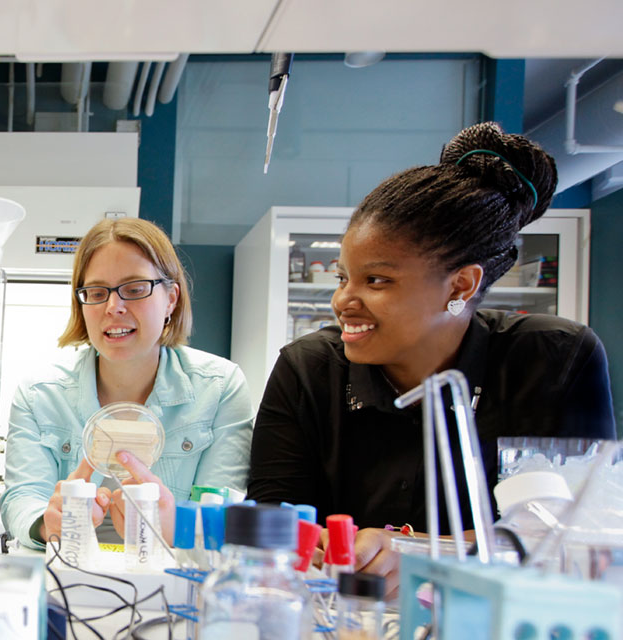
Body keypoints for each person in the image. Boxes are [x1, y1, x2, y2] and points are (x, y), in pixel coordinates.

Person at [247, 122, 616, 595]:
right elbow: (272, 519)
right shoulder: (309, 368)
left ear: (460, 286)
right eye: (344, 277)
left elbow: (577, 538)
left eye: (376, 281)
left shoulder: (553, 359)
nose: (344, 301)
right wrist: (311, 544)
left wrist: (422, 553)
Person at [0, 218, 254, 549]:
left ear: (171, 299)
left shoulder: (219, 386)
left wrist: (176, 526)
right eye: (96, 292)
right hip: (62, 579)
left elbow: (224, 509)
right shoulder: (39, 393)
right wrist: (47, 523)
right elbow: (21, 498)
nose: (113, 307)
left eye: (134, 289)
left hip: (171, 581)